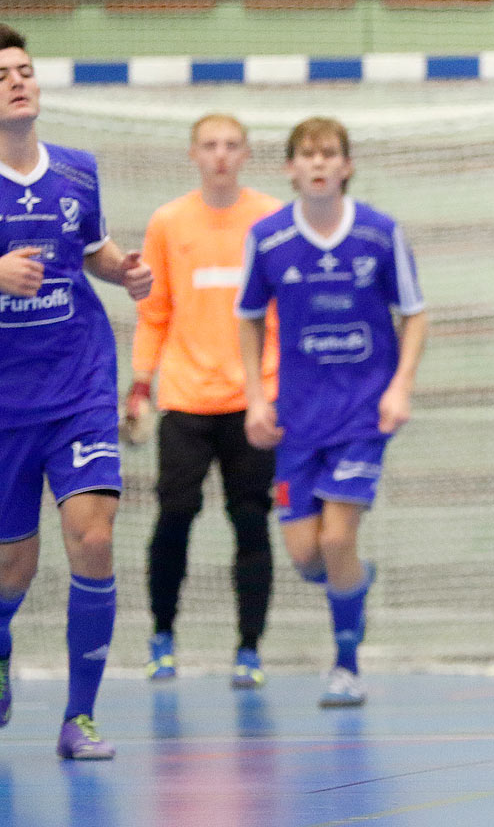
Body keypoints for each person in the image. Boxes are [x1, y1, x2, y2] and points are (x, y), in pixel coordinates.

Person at [236, 117, 427, 708]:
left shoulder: (379, 233)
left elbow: (414, 313)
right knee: (306, 555)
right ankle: (352, 597)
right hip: (296, 419)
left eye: (329, 154)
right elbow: (246, 316)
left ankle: (346, 665)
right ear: (290, 168)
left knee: (339, 539)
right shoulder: (267, 238)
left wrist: (400, 386)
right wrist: (255, 396)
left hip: (361, 417)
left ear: (346, 165)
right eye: (306, 154)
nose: (318, 163)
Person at [0, 23, 153, 759]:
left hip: (80, 382)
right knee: (12, 569)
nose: (18, 81)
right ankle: (1, 644)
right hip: (5, 403)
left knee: (93, 535)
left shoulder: (77, 171)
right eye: (3, 74)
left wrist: (124, 270)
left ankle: (79, 718)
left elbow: (90, 249)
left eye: (24, 69)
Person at [128, 114, 282, 688]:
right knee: (174, 517)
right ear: (193, 154)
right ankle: (162, 636)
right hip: (185, 401)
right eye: (210, 146)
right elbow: (154, 313)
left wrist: (276, 390)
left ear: (246, 154)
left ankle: (248, 649)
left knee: (250, 522)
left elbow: (284, 312)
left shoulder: (270, 219)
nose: (220, 155)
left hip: (253, 402)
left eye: (231, 146)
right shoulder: (168, 222)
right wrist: (140, 385)